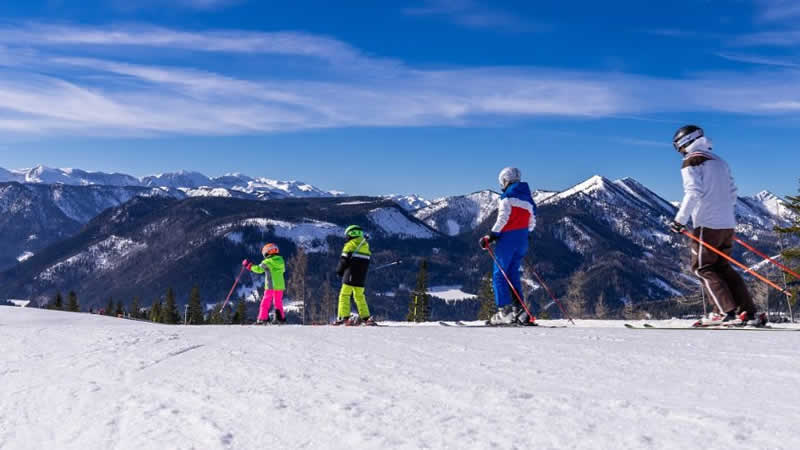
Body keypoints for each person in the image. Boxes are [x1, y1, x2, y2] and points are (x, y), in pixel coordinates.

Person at [669, 125, 766, 326]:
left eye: (678, 146)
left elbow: (693, 192)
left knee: (702, 268)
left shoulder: (692, 161)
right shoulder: (719, 161)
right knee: (721, 267)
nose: (679, 150)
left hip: (707, 222)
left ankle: (725, 312)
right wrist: (723, 214)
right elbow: (732, 193)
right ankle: (747, 312)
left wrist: (679, 220)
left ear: (684, 143)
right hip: (727, 223)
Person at [479, 167, 537, 326]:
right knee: (512, 273)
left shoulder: (506, 197)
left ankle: (504, 311)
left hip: (507, 240)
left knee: (499, 274)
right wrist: (524, 233)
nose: (501, 186)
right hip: (522, 240)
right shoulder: (529, 199)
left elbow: (503, 218)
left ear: (506, 180)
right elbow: (532, 222)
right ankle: (520, 310)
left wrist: (491, 236)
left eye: (502, 182)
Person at [334, 225, 376, 326]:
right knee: (359, 296)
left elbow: (343, 261)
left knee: (344, 295)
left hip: (349, 275)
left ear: (351, 234)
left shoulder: (350, 245)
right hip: (361, 277)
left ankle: (344, 317)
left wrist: (339, 271)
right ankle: (366, 317)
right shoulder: (365, 246)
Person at [243, 243, 286, 324]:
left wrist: (249, 266)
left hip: (270, 286)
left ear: (266, 252)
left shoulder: (267, 262)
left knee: (265, 302)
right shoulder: (281, 261)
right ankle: (280, 319)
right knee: (278, 302)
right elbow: (282, 271)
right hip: (280, 286)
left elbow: (259, 269)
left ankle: (263, 318)